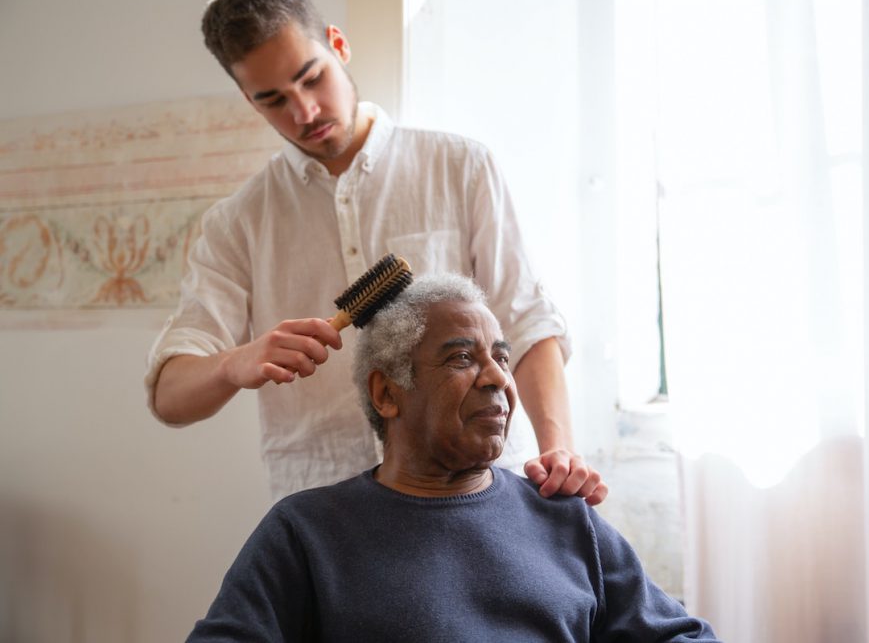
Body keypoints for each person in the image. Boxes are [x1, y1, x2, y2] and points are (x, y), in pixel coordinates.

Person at [144, 0, 605, 503]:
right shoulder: (237, 223)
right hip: (327, 515)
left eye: (311, 78)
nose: (304, 112)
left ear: (337, 45)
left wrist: (559, 451)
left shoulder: (461, 167)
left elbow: (525, 319)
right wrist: (234, 362)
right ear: (249, 101)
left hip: (476, 492)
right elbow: (169, 396)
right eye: (272, 99)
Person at [186, 274, 719, 642]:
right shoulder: (306, 533)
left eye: (501, 358)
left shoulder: (563, 515)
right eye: (462, 357)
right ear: (387, 393)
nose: (497, 379)